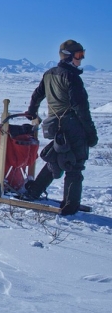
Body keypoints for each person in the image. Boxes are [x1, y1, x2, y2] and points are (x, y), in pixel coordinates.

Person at [22, 39, 98, 215]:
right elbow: (82, 110)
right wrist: (91, 134)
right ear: (69, 57)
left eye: (83, 55)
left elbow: (37, 95)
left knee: (55, 159)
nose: (81, 60)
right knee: (75, 165)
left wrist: (32, 111)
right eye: (79, 56)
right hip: (73, 127)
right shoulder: (72, 78)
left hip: (55, 126)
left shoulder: (49, 74)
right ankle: (70, 207)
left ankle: (33, 192)